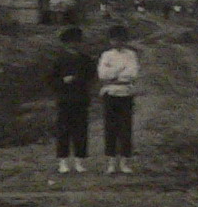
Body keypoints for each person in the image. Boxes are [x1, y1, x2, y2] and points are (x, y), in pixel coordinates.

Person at [50, 25, 96, 174]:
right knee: (63, 131)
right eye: (71, 42)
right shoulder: (58, 60)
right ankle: (63, 162)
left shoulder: (86, 60)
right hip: (64, 99)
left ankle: (79, 161)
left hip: (81, 99)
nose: (74, 45)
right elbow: (50, 80)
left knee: (81, 131)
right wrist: (63, 81)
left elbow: (91, 77)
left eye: (77, 42)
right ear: (65, 43)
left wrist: (78, 80)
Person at [96, 25, 140, 175]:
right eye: (114, 40)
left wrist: (114, 73)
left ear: (125, 40)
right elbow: (103, 75)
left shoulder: (131, 55)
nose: (117, 43)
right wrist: (120, 71)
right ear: (110, 41)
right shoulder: (106, 55)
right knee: (110, 128)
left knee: (125, 128)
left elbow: (132, 74)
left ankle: (124, 162)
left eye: (121, 40)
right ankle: (111, 162)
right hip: (110, 94)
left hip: (126, 94)